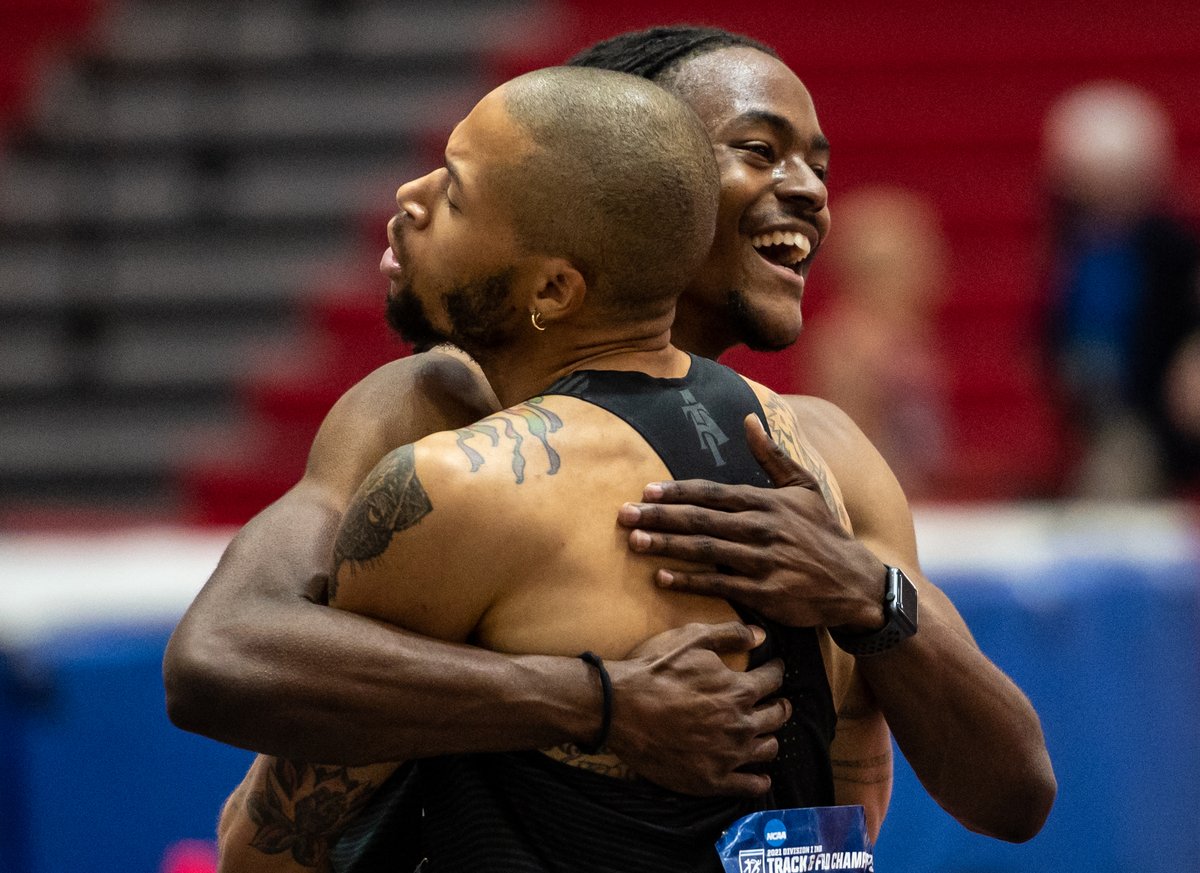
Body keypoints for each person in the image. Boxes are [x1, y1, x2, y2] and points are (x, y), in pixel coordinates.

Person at [165, 25, 1054, 866]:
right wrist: (593, 701)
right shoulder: (435, 414)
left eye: (817, 164)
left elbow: (1013, 796)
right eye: (759, 149)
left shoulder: (828, 451)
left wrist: (868, 592)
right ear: (627, 165)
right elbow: (229, 660)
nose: (810, 190)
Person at [219, 63, 841, 872]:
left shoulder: (462, 486)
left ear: (553, 286)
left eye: (455, 196)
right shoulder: (805, 451)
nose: (409, 195)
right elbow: (849, 788)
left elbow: (266, 848)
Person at [1041, 80, 1200, 497]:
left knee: (1118, 476)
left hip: (1150, 414)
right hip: (1095, 407)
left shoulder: (1172, 249)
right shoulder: (1073, 241)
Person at [802, 186, 950, 499]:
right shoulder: (848, 344)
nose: (934, 274)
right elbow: (846, 453)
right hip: (875, 503)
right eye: (917, 261)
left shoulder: (907, 338)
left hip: (910, 498)